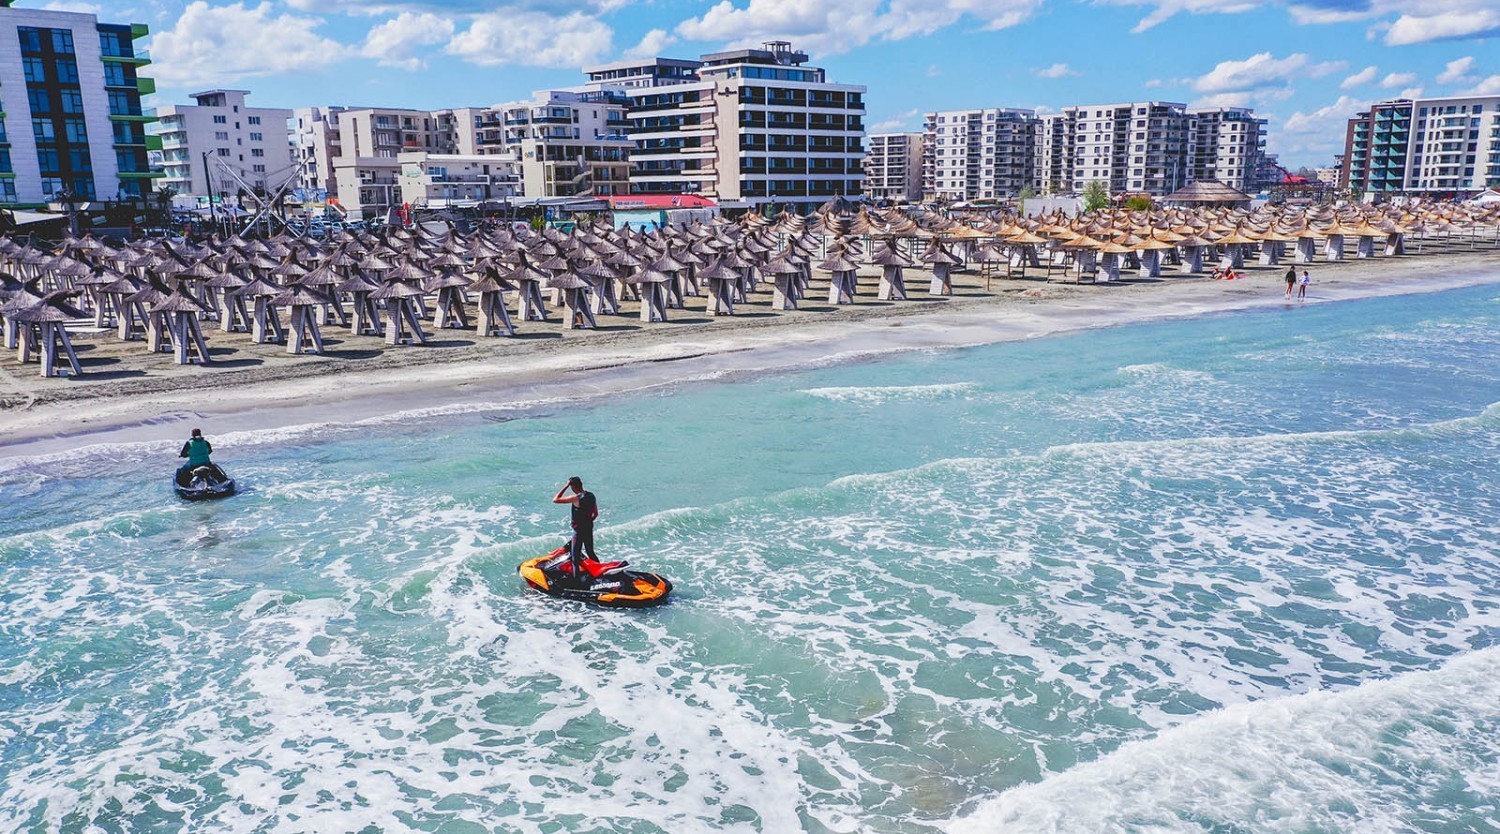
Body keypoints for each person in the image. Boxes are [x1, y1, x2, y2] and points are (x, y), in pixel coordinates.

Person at [553, 476, 599, 583]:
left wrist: (565, 486)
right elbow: (596, 513)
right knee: (590, 552)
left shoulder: (576, 498)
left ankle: (576, 582)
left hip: (578, 530)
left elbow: (555, 499)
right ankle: (599, 572)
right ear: (582, 484)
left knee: (575, 558)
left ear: (572, 487)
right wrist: (587, 522)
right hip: (588, 527)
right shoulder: (591, 495)